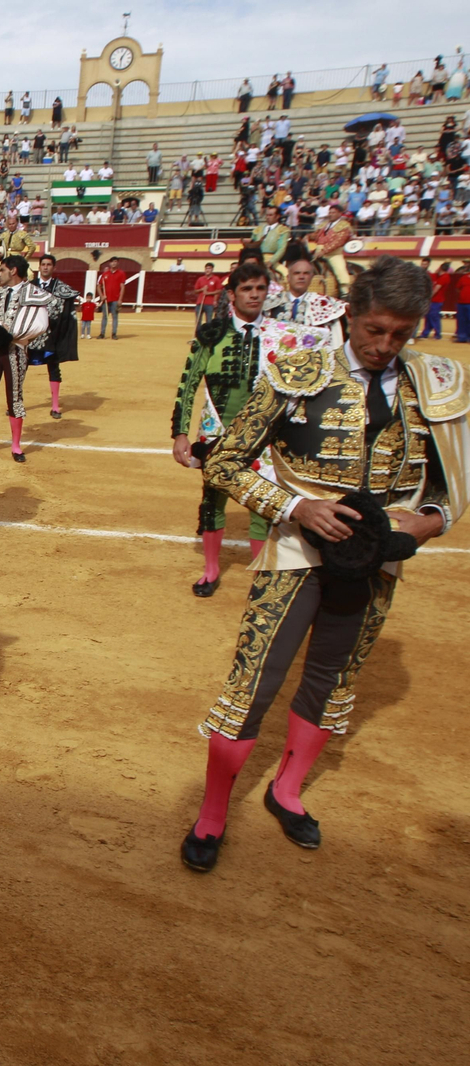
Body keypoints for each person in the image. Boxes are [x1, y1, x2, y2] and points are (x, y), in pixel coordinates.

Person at [180, 258, 464, 872]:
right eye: (374, 330)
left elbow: (452, 482)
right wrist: (297, 506)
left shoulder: (433, 382)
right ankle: (212, 811)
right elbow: (224, 461)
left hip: (375, 562)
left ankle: (286, 791)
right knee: (254, 682)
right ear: (351, 316)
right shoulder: (297, 371)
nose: (385, 345)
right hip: (295, 551)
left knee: (333, 680)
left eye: (400, 333)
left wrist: (430, 520)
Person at [169, 260, 275, 598]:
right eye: (246, 289)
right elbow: (188, 384)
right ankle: (211, 570)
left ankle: (261, 575)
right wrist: (180, 433)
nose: (254, 295)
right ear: (232, 295)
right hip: (217, 432)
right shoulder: (212, 334)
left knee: (261, 504)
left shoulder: (280, 336)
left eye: (260, 288)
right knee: (212, 501)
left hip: (264, 434)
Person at [0, 255, 54, 463]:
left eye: (2, 270)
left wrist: (13, 333)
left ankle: (16, 446)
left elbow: (40, 325)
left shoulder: (34, 294)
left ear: (13, 271)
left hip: (16, 350)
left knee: (14, 397)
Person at [28, 254, 81, 419]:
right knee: (20, 369)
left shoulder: (61, 288)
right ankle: (15, 404)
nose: (45, 267)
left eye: (49, 264)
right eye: (43, 264)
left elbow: (67, 312)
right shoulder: (29, 287)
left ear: (54, 267)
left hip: (52, 335)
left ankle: (55, 406)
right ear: (39, 267)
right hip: (30, 335)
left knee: (53, 368)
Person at [268, 243, 348, 346]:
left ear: (311, 277)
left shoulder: (325, 304)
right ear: (288, 278)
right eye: (297, 273)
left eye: (306, 273)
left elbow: (336, 341)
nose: (301, 277)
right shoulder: (272, 302)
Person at [308, 207, 355, 297]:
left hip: (333, 253)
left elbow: (338, 241)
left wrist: (324, 251)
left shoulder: (344, 225)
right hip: (318, 252)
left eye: (333, 212)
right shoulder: (324, 224)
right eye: (330, 212)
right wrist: (308, 236)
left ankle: (345, 292)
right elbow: (316, 235)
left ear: (339, 214)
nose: (331, 214)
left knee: (340, 270)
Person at [96, 259, 128, 339]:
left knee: (115, 316)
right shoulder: (105, 274)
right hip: (106, 299)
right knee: (105, 317)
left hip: (115, 299)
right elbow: (98, 286)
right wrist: (101, 296)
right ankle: (102, 333)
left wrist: (120, 299)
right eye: (112, 262)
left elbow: (122, 287)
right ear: (109, 263)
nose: (113, 263)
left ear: (118, 263)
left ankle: (114, 334)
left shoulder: (121, 273)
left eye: (115, 262)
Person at [193, 262, 223, 328]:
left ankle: (207, 333)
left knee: (209, 321)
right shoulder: (200, 279)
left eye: (209, 268)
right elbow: (195, 291)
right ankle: (198, 333)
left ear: (212, 269)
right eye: (206, 268)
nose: (207, 270)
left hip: (210, 303)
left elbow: (219, 290)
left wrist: (208, 293)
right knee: (198, 321)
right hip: (200, 302)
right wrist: (202, 289)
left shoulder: (216, 279)